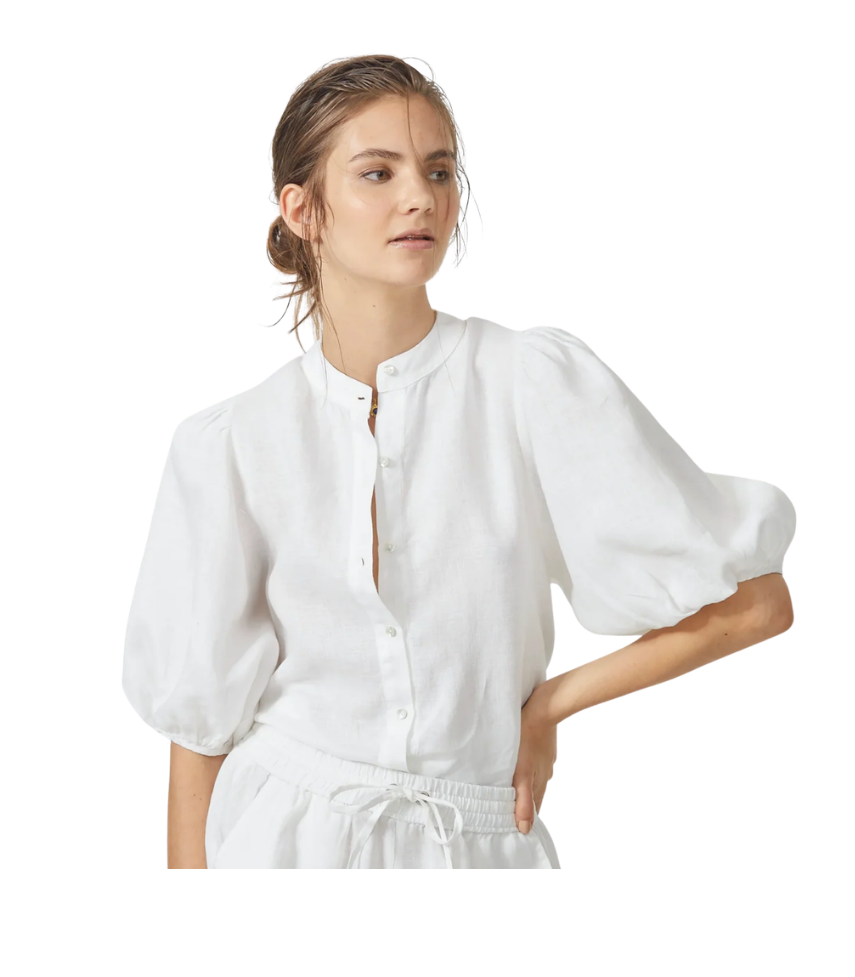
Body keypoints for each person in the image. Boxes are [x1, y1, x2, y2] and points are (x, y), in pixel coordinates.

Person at [121, 54, 797, 869]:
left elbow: (757, 605)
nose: (421, 197)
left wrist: (550, 705)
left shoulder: (529, 384)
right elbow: (199, 733)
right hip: (282, 845)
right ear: (303, 210)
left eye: (438, 171)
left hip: (479, 849)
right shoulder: (231, 443)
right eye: (378, 173)